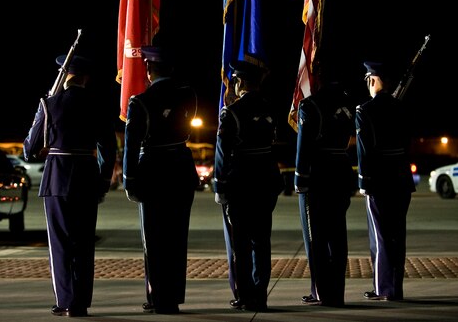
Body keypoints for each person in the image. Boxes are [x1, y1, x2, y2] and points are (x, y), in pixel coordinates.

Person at [23, 53, 117, 318]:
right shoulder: (97, 105)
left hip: (56, 179)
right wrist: (102, 180)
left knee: (61, 243)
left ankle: (65, 300)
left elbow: (30, 149)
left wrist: (41, 114)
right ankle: (82, 302)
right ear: (85, 78)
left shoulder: (49, 104)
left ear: (64, 76)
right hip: (87, 177)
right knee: (85, 244)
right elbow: (108, 148)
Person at [122, 45, 199, 315]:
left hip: (153, 172)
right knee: (177, 239)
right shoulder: (188, 95)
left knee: (154, 241)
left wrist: (129, 180)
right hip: (181, 169)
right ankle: (174, 297)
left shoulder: (140, 102)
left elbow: (131, 146)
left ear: (147, 69)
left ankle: (159, 298)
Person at [213, 60, 283, 312]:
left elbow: (222, 153)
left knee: (241, 245)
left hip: (241, 184)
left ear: (239, 82)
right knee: (262, 243)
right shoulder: (269, 108)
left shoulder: (231, 113)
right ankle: (260, 295)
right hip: (266, 182)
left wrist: (219, 185)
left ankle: (245, 296)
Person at [294, 63, 356, 307]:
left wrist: (300, 177)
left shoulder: (310, 106)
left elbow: (304, 146)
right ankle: (337, 293)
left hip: (319, 175)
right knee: (338, 237)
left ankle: (325, 294)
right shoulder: (347, 104)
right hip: (341, 172)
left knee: (317, 240)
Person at [356, 61, 415, 301]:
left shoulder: (365, 110)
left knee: (380, 237)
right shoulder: (401, 108)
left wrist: (363, 182)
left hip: (378, 181)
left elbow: (364, 151)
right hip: (401, 179)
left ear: (372, 79)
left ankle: (383, 288)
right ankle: (395, 288)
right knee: (396, 236)